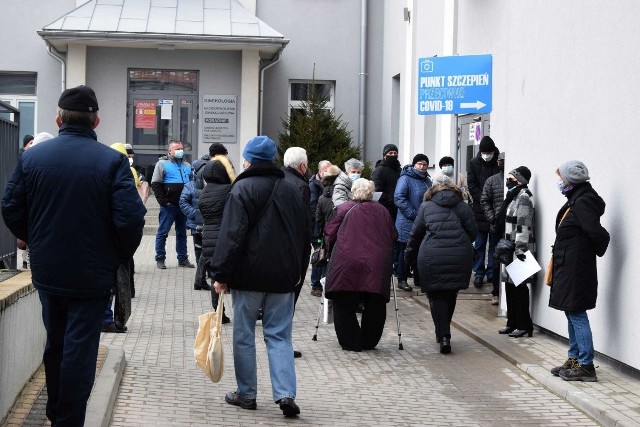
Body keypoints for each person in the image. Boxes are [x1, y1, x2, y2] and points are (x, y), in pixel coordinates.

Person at [1, 85, 145, 426]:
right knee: (80, 347)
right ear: (96, 121)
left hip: (49, 270)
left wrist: (34, 238)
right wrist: (116, 256)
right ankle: (68, 419)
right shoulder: (112, 162)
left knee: (56, 340)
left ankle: (54, 411)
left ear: (58, 119)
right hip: (94, 275)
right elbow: (131, 219)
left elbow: (10, 207)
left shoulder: (33, 158)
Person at [210, 136, 306, 417]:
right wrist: (298, 270)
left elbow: (232, 235)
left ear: (248, 160)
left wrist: (221, 274)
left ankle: (246, 393)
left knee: (243, 335)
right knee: (279, 336)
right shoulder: (291, 188)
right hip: (283, 278)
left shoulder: (242, 188)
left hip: (248, 277)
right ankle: (286, 393)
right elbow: (303, 236)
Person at [549, 161, 609, 382]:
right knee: (570, 311)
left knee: (576, 313)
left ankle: (586, 365)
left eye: (561, 178)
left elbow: (598, 233)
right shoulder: (577, 200)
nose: (559, 182)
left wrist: (583, 255)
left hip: (575, 269)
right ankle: (574, 359)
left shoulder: (582, 203)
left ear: (570, 181)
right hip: (570, 266)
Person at [405, 175, 477, 354]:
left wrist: (407, 256)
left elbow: (415, 234)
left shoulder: (426, 206)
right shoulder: (462, 206)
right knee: (450, 293)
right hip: (458, 256)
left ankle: (443, 335)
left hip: (432, 257)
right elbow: (473, 233)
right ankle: (444, 333)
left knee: (435, 296)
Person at [324, 178, 397, 352]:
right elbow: (393, 235)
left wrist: (328, 251)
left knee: (343, 300)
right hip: (377, 263)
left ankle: (350, 341)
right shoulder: (383, 211)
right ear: (371, 193)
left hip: (346, 261)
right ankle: (368, 341)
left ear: (353, 191)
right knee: (375, 302)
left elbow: (329, 233)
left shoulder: (343, 208)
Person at [101, 142, 143, 333]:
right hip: (113, 241)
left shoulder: (100, 171)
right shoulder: (123, 172)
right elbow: (131, 215)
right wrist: (126, 247)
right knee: (113, 282)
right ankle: (106, 318)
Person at [497, 166, 536, 338]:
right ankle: (512, 322)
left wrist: (520, 250)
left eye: (511, 177)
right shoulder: (513, 197)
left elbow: (523, 226)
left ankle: (524, 324)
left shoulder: (524, 198)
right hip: (510, 247)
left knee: (519, 288)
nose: (508, 180)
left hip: (520, 248)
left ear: (520, 180)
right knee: (509, 287)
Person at [199, 155, 236, 323]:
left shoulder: (204, 192)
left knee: (215, 277)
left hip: (208, 237)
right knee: (233, 273)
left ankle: (219, 312)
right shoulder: (228, 190)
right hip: (224, 236)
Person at [151, 140, 194, 269]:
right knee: (163, 233)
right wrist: (163, 201)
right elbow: (155, 184)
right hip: (169, 206)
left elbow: (191, 184)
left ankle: (182, 259)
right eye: (177, 149)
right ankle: (160, 258)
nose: (180, 151)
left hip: (183, 206)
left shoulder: (187, 165)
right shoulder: (162, 164)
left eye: (181, 148)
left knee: (181, 233)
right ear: (170, 151)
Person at [393, 154, 432, 291]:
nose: (422, 167)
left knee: (420, 251)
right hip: (407, 222)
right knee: (406, 251)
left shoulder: (427, 180)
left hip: (423, 221)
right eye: (419, 164)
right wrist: (414, 215)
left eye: (424, 164)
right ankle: (402, 279)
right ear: (414, 164)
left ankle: (418, 278)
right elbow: (399, 198)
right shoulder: (405, 178)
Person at [467, 136, 501, 287]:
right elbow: (471, 185)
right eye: (484, 152)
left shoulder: (499, 163)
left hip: (495, 209)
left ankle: (492, 273)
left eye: (489, 152)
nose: (486, 155)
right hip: (479, 210)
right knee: (479, 244)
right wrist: (483, 198)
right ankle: (479, 273)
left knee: (494, 244)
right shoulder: (474, 163)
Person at [282, 147, 312, 306]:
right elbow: (303, 222)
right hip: (294, 250)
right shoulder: (301, 186)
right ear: (302, 166)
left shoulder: (277, 179)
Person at [372, 144, 402, 283]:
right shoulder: (379, 171)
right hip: (386, 209)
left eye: (395, 152)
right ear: (384, 154)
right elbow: (377, 191)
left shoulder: (399, 170)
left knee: (398, 240)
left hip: (399, 211)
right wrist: (392, 201)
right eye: (390, 152)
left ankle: (397, 267)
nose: (393, 155)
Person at [179, 168, 211, 291]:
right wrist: (196, 214)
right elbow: (183, 202)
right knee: (199, 252)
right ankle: (201, 278)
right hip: (197, 225)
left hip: (212, 224)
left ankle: (205, 277)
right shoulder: (190, 186)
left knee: (209, 252)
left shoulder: (218, 184)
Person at [480, 152, 506, 305]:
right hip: (496, 226)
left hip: (510, 228)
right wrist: (492, 218)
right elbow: (485, 201)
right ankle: (496, 291)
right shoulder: (492, 180)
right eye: (500, 161)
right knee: (496, 260)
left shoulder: (511, 181)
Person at [313, 165, 342, 296]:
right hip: (341, 234)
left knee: (324, 259)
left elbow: (318, 218)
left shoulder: (322, 197)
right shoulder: (343, 195)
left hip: (326, 233)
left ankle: (322, 287)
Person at [309, 160, 332, 296]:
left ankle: (324, 282)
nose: (327, 173)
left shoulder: (330, 184)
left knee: (326, 255)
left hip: (327, 227)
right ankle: (316, 284)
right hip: (317, 228)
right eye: (325, 171)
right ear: (319, 171)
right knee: (319, 254)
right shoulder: (313, 185)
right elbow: (312, 207)